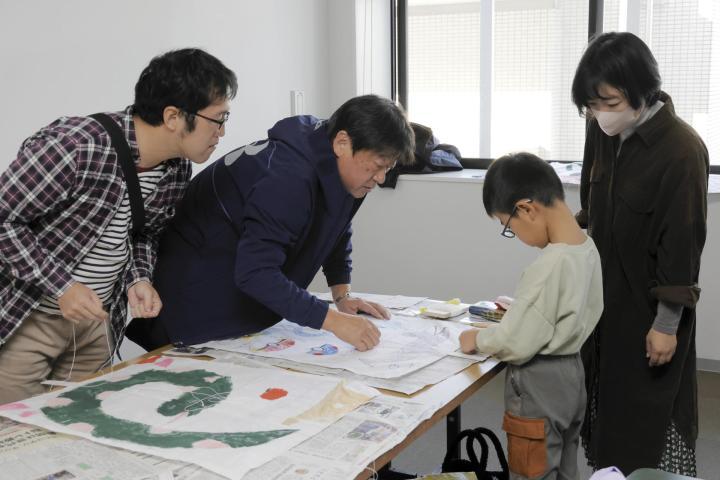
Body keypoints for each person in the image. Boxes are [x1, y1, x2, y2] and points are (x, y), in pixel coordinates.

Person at [0, 48, 237, 404]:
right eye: (217, 119)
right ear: (173, 116)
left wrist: (138, 278)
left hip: (97, 323)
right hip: (30, 318)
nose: (221, 132)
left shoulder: (177, 169)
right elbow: (5, 219)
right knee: (13, 437)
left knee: (78, 425)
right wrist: (62, 286)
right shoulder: (77, 146)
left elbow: (144, 233)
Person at [127, 94, 415, 352]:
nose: (380, 178)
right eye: (377, 166)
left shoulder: (343, 168)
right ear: (342, 143)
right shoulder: (288, 178)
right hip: (195, 296)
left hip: (238, 295)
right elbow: (256, 273)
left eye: (387, 169)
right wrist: (333, 322)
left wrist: (342, 295)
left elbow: (336, 224)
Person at [571, 32, 708, 476]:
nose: (599, 114)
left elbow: (682, 247)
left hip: (649, 315)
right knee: (602, 417)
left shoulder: (682, 151)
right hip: (604, 305)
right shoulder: (602, 132)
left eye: (608, 102)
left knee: (647, 426)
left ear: (640, 89)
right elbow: (592, 214)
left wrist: (666, 325)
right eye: (591, 104)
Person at [459, 152, 603, 480]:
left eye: (508, 226)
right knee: (565, 463)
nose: (516, 236)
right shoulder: (587, 248)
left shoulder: (548, 265)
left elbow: (516, 342)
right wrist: (525, 310)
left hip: (539, 381)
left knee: (532, 469)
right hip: (573, 375)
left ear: (526, 209)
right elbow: (579, 305)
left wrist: (477, 340)